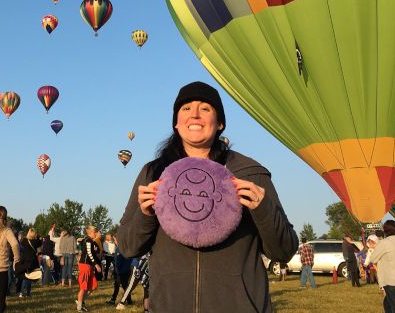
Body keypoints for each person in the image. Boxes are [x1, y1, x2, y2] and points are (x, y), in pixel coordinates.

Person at [118, 81, 298, 312]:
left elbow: (284, 251)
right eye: (185, 108)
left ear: (220, 123)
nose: (194, 114)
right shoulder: (153, 174)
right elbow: (128, 247)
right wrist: (145, 214)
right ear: (176, 122)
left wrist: (263, 209)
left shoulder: (250, 173)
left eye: (205, 108)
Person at [371, 219, 395, 313]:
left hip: (390, 280)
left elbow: (373, 258)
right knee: (388, 303)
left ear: (385, 230)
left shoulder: (384, 243)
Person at [76, 225, 102, 312]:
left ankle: (81, 301)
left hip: (89, 266)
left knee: (93, 286)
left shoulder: (92, 241)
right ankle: (79, 307)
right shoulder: (88, 240)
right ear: (91, 232)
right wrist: (96, 264)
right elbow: (89, 253)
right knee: (83, 287)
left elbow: (96, 251)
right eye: (95, 232)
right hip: (84, 265)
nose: (97, 233)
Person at [107, 240, 134, 306]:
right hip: (127, 269)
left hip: (121, 271)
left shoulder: (120, 248)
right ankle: (128, 300)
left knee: (120, 286)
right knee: (123, 286)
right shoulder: (128, 247)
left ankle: (115, 300)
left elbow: (118, 261)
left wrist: (117, 271)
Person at [15, 228, 40, 297]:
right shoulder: (35, 242)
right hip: (31, 261)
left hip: (24, 260)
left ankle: (21, 292)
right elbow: (39, 242)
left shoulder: (24, 241)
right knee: (29, 277)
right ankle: (28, 293)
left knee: (24, 277)